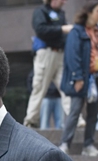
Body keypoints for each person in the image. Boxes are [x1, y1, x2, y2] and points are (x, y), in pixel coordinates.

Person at [59, 1, 98, 156]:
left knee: (93, 114)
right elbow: (72, 56)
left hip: (97, 78)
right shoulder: (77, 31)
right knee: (74, 112)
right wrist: (78, 77)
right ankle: (65, 144)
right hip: (82, 78)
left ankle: (88, 145)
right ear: (89, 12)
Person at [23, 0, 73, 128]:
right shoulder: (40, 11)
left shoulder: (61, 14)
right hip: (46, 53)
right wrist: (62, 29)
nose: (64, 2)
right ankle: (31, 121)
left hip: (60, 54)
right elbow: (40, 30)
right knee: (39, 87)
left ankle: (75, 119)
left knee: (67, 88)